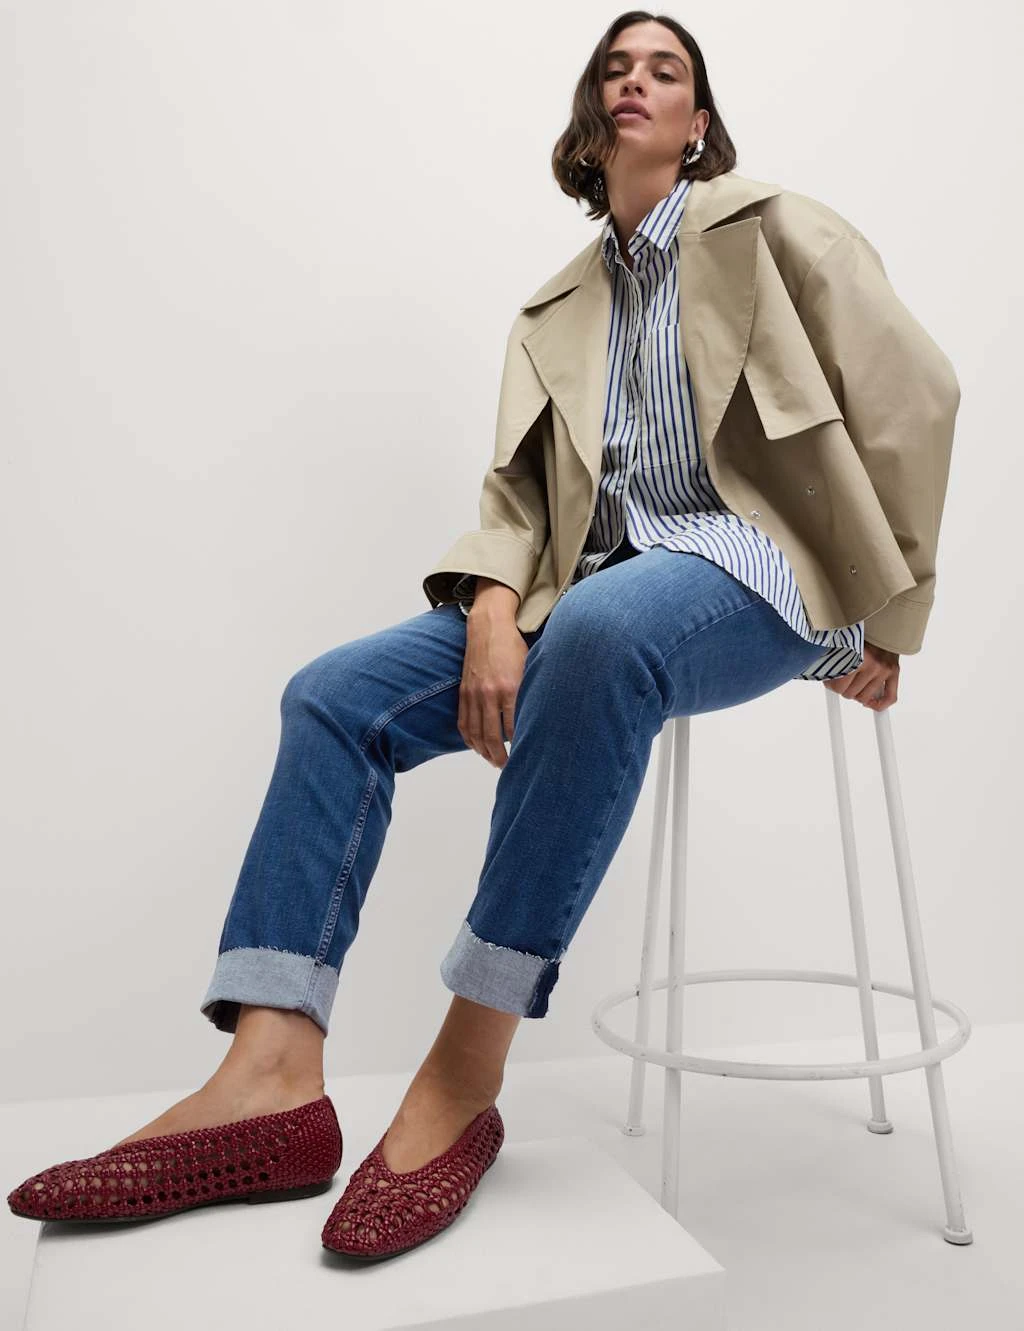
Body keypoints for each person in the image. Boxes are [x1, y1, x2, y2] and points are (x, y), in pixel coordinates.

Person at [7, 12, 959, 1261]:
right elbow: (515, 497)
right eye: (614, 68)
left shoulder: (778, 230)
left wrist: (884, 617)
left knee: (605, 631)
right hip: (587, 589)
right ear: (588, 116)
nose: (635, 82)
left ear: (698, 124)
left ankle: (464, 1071)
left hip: (760, 575)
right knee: (331, 694)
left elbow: (916, 395)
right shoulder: (554, 308)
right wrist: (496, 609)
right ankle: (270, 1072)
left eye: (664, 70)